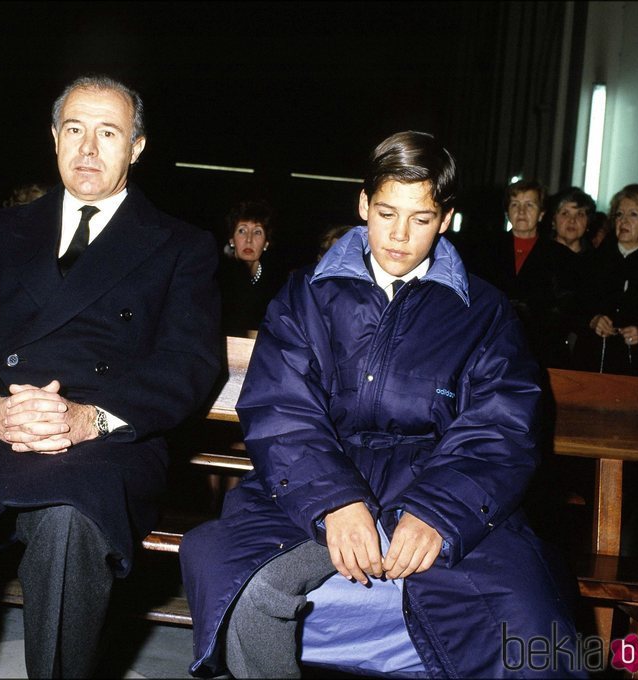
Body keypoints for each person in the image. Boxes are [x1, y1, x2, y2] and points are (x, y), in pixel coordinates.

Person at [181, 131, 582, 679]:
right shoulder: (305, 296)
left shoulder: (485, 313)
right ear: (363, 204)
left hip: (437, 484)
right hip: (316, 484)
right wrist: (336, 502)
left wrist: (440, 512)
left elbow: (502, 428)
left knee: (530, 629)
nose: (398, 236)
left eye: (420, 219)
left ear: (445, 220)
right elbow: (282, 411)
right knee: (244, 582)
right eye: (386, 212)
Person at [0, 75, 221, 678]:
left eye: (108, 133)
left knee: (68, 525)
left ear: (136, 148)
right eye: (74, 130)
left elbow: (188, 365)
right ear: (54, 137)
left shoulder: (181, 245)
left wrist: (84, 419)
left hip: (106, 439)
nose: (87, 149)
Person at [572, 184, 638, 376]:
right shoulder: (596, 259)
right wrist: (593, 320)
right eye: (619, 215)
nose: (623, 220)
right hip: (591, 360)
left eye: (633, 214)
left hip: (637, 364)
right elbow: (574, 304)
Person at [481, 178, 558, 366]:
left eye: (530, 205)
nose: (521, 211)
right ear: (508, 212)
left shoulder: (558, 255)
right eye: (515, 204)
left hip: (540, 346)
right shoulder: (485, 250)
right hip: (493, 345)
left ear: (541, 214)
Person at [218, 199, 287, 335]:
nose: (249, 239)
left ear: (266, 243)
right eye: (242, 231)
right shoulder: (217, 280)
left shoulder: (279, 287)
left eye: (257, 232)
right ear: (232, 240)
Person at [547, 187, 597, 368]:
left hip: (580, 353)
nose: (572, 220)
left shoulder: (598, 263)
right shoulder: (539, 256)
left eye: (580, 214)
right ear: (553, 220)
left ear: (588, 222)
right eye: (565, 213)